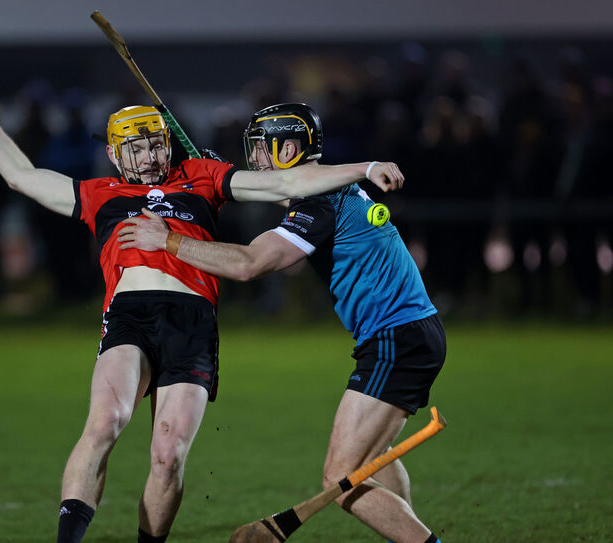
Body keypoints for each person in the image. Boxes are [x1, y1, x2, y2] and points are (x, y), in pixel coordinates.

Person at [0, 65, 403, 543]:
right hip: (130, 316)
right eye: (135, 147)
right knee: (106, 422)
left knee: (168, 456)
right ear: (113, 154)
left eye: (154, 144)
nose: (148, 156)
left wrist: (363, 169)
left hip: (192, 323)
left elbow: (282, 185)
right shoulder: (99, 194)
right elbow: (22, 177)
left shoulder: (203, 176)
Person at [119, 103, 445, 543]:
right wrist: (219, 178)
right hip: (409, 333)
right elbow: (273, 191)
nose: (254, 162)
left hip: (395, 338)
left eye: (260, 150)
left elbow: (250, 264)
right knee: (374, 457)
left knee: (341, 476)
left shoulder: (321, 201)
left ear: (289, 148)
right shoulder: (326, 191)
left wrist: (168, 239)